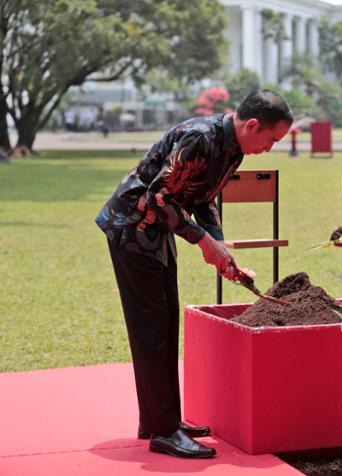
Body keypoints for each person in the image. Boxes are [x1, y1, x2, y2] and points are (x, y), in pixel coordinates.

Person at [96, 90, 293, 458]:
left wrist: (221, 249)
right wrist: (204, 243)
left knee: (165, 324)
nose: (270, 148)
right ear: (251, 125)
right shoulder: (200, 137)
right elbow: (158, 197)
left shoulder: (234, 147)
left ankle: (160, 421)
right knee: (152, 329)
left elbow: (203, 199)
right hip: (131, 228)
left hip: (156, 231)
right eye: (271, 139)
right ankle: (165, 430)